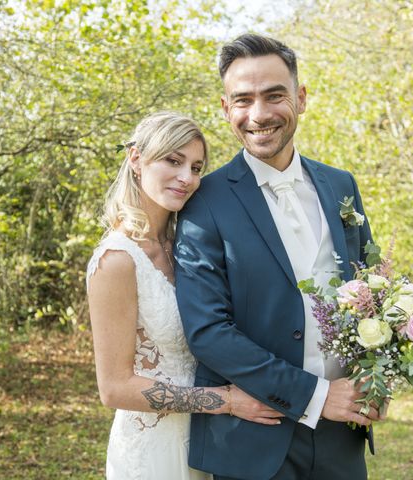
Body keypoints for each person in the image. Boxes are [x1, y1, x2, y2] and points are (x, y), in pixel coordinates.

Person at [174, 35, 383, 480]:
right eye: (243, 99)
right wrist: (314, 396)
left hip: (342, 435)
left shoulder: (341, 185)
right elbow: (208, 331)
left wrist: (376, 375)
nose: (259, 114)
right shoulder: (202, 200)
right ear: (225, 108)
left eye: (274, 95)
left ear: (301, 98)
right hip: (251, 436)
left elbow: (372, 292)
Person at [87, 111, 284, 480]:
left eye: (196, 167)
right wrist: (225, 401)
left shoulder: (185, 247)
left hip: (208, 443)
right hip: (152, 450)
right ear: (136, 160)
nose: (187, 178)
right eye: (173, 161)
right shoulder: (116, 260)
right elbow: (113, 388)